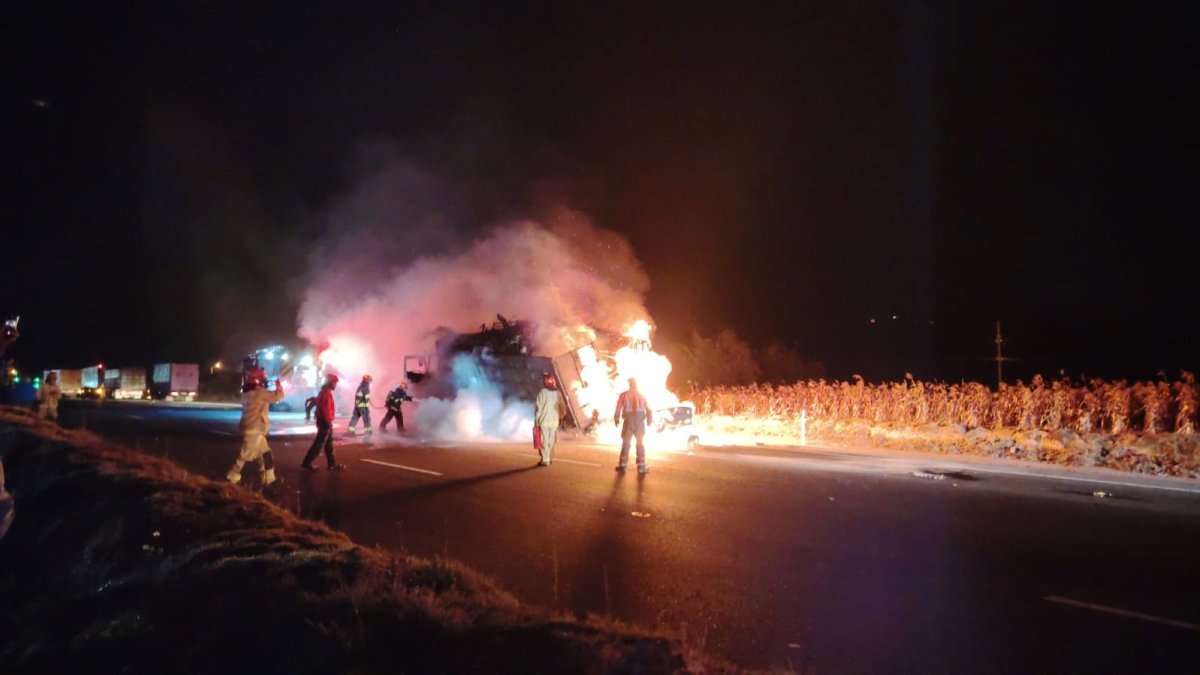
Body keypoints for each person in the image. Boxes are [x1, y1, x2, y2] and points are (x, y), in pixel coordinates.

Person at [226, 373, 286, 486]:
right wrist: (279, 386)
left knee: (265, 454)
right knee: (244, 455)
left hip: (249, 427)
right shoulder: (260, 393)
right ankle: (232, 475)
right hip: (256, 429)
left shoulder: (246, 394)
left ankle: (269, 479)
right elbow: (278, 397)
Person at [301, 374, 344, 471]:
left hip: (324, 422)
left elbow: (316, 403)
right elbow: (326, 411)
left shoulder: (323, 393)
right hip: (325, 422)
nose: (335, 385)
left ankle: (332, 465)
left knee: (328, 444)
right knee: (319, 444)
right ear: (330, 383)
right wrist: (329, 424)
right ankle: (307, 463)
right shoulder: (326, 394)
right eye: (334, 383)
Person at [614, 377, 652, 474]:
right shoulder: (642, 396)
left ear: (629, 384)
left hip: (628, 421)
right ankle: (641, 467)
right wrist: (649, 419)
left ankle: (622, 465)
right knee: (640, 443)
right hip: (639, 422)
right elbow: (648, 409)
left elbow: (618, 407)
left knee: (626, 442)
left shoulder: (624, 395)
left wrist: (616, 418)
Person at [534, 373, 565, 466]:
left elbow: (538, 408)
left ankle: (545, 460)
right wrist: (561, 416)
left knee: (544, 441)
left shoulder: (542, 392)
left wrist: (536, 421)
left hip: (544, 420)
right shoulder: (558, 393)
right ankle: (550, 457)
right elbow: (562, 406)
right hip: (554, 421)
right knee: (551, 440)